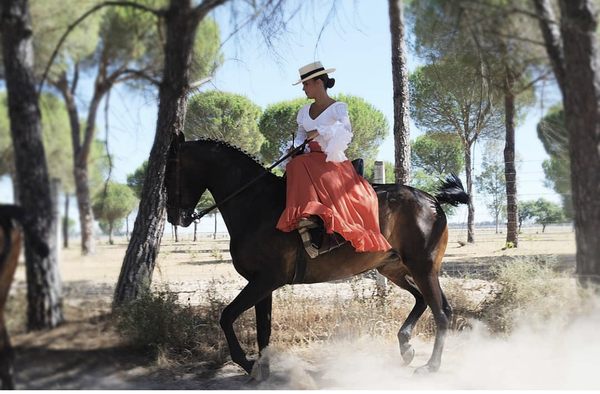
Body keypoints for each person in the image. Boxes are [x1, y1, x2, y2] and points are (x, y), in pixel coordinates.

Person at [276, 61, 392, 258]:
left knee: (299, 165)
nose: (304, 88)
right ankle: (305, 219)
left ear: (319, 82)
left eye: (306, 84)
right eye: (303, 85)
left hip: (332, 161)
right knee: (295, 164)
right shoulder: (304, 111)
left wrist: (319, 131)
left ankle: (311, 218)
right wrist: (294, 146)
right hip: (308, 158)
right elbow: (302, 135)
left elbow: (346, 132)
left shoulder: (338, 108)